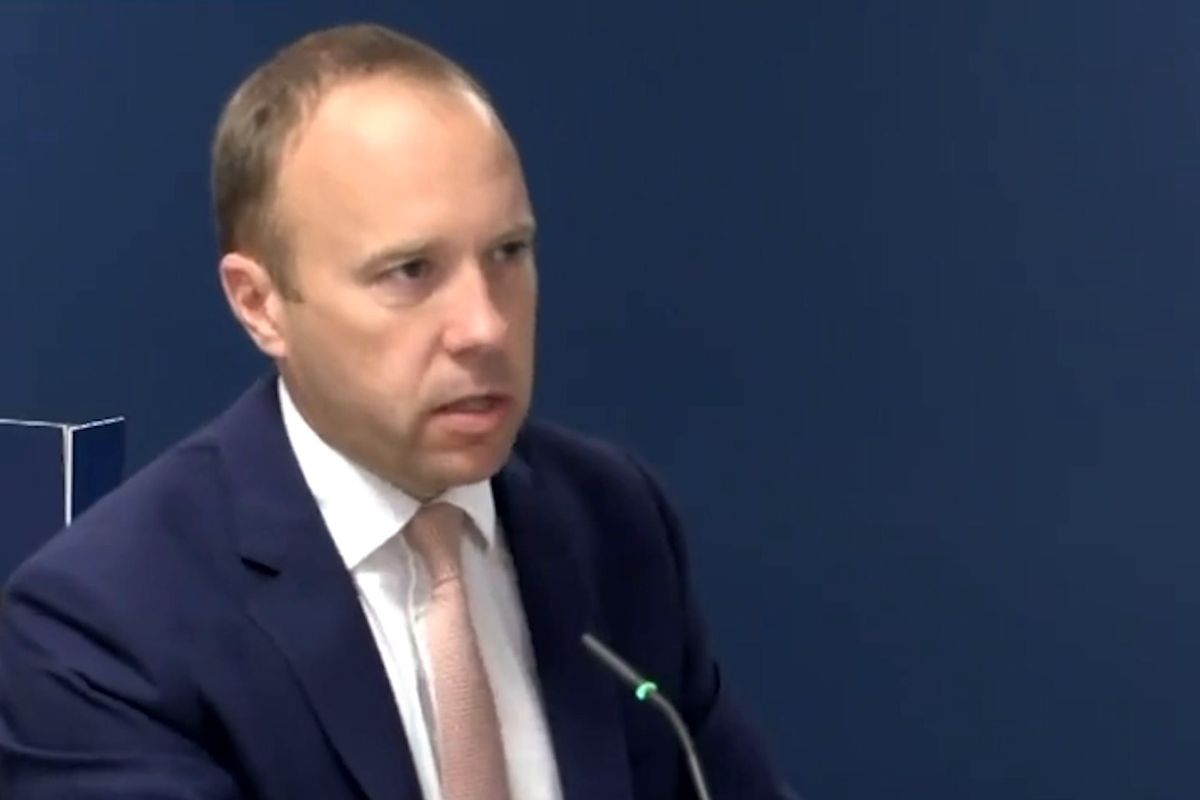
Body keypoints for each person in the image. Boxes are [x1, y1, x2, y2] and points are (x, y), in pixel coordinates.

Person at [0, 22, 796, 800]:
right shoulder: (103, 628)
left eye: (508, 254)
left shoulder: (612, 520)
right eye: (411, 270)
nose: (485, 326)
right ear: (260, 303)